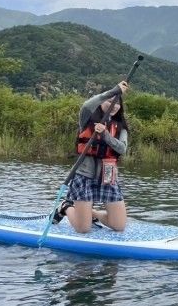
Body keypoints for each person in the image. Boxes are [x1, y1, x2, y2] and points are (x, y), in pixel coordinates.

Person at [53, 81, 130, 232]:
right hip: (84, 176)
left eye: (117, 103)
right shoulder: (87, 118)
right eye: (110, 101)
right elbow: (88, 104)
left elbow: (122, 149)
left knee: (119, 226)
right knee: (83, 229)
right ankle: (65, 206)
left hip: (108, 177)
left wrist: (106, 135)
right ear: (102, 101)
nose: (114, 105)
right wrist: (113, 91)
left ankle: (90, 213)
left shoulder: (120, 127)